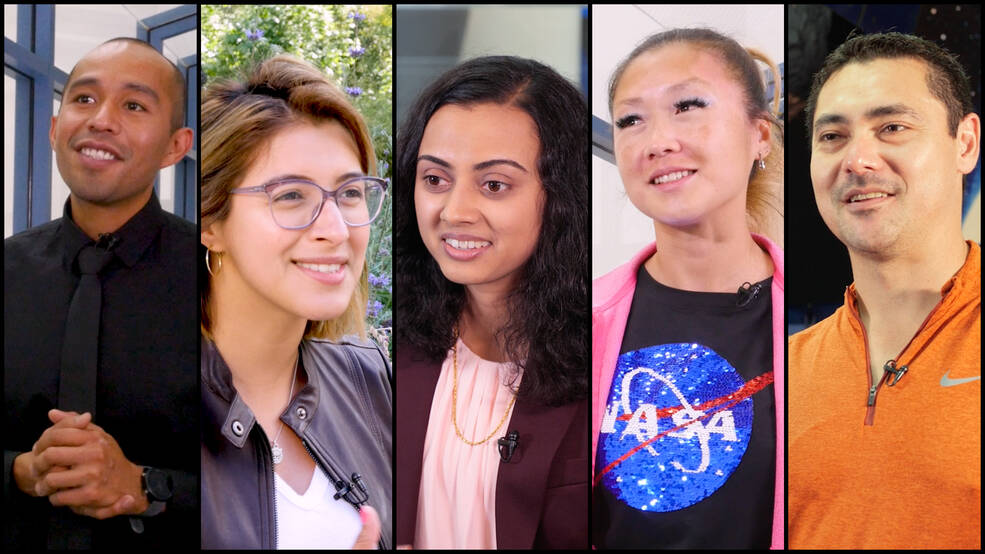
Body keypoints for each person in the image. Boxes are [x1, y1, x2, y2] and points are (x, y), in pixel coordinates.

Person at [591, 29, 785, 549]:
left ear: (759, 134)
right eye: (631, 120)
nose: (657, 142)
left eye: (688, 106)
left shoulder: (826, 323)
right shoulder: (577, 323)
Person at [789, 32, 980, 549]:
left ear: (964, 143)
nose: (858, 159)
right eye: (832, 137)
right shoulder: (785, 368)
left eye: (892, 127)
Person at [4, 38, 197, 549]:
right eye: (83, 99)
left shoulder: (219, 276)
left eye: (133, 105)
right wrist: (23, 470)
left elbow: (263, 478)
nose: (101, 120)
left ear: (176, 147)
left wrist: (144, 486)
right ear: (53, 127)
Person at [393, 55, 589, 549]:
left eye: (494, 185)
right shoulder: (386, 349)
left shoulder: (610, 353)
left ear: (561, 196)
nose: (455, 211)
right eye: (435, 179)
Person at [199, 54, 392, 549]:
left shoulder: (375, 384)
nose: (335, 230)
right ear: (210, 223)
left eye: (350, 193)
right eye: (290, 196)